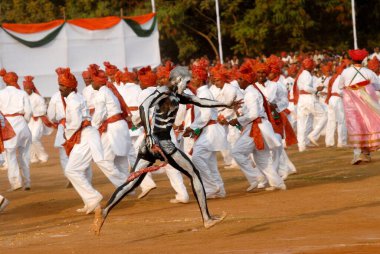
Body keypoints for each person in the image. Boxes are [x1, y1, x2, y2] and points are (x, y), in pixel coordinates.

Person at [92, 65, 241, 235]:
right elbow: (143, 107)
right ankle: (206, 218)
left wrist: (225, 103)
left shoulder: (178, 95)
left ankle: (104, 212)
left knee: (133, 182)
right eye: (185, 81)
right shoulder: (164, 92)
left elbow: (200, 102)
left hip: (151, 144)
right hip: (161, 143)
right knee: (193, 174)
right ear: (178, 80)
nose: (187, 84)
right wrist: (148, 134)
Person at [339, 49, 380, 164]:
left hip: (350, 101)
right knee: (367, 124)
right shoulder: (369, 72)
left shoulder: (346, 72)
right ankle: (366, 153)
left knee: (355, 125)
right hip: (367, 101)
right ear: (363, 60)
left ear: (352, 59)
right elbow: (377, 86)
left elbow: (340, 86)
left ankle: (357, 155)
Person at [0, 69, 32, 191]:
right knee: (24, 155)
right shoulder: (22, 93)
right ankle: (27, 182)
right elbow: (29, 113)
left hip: (8, 125)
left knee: (11, 155)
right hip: (22, 124)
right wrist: (24, 122)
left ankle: (16, 183)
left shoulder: (1, 93)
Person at [24, 76, 53, 163]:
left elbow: (43, 110)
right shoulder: (23, 97)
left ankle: (43, 156)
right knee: (28, 139)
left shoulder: (38, 97)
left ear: (32, 88)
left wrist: (32, 112)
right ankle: (33, 157)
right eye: (25, 88)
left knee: (34, 138)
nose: (27, 90)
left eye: (28, 88)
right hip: (28, 121)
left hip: (37, 120)